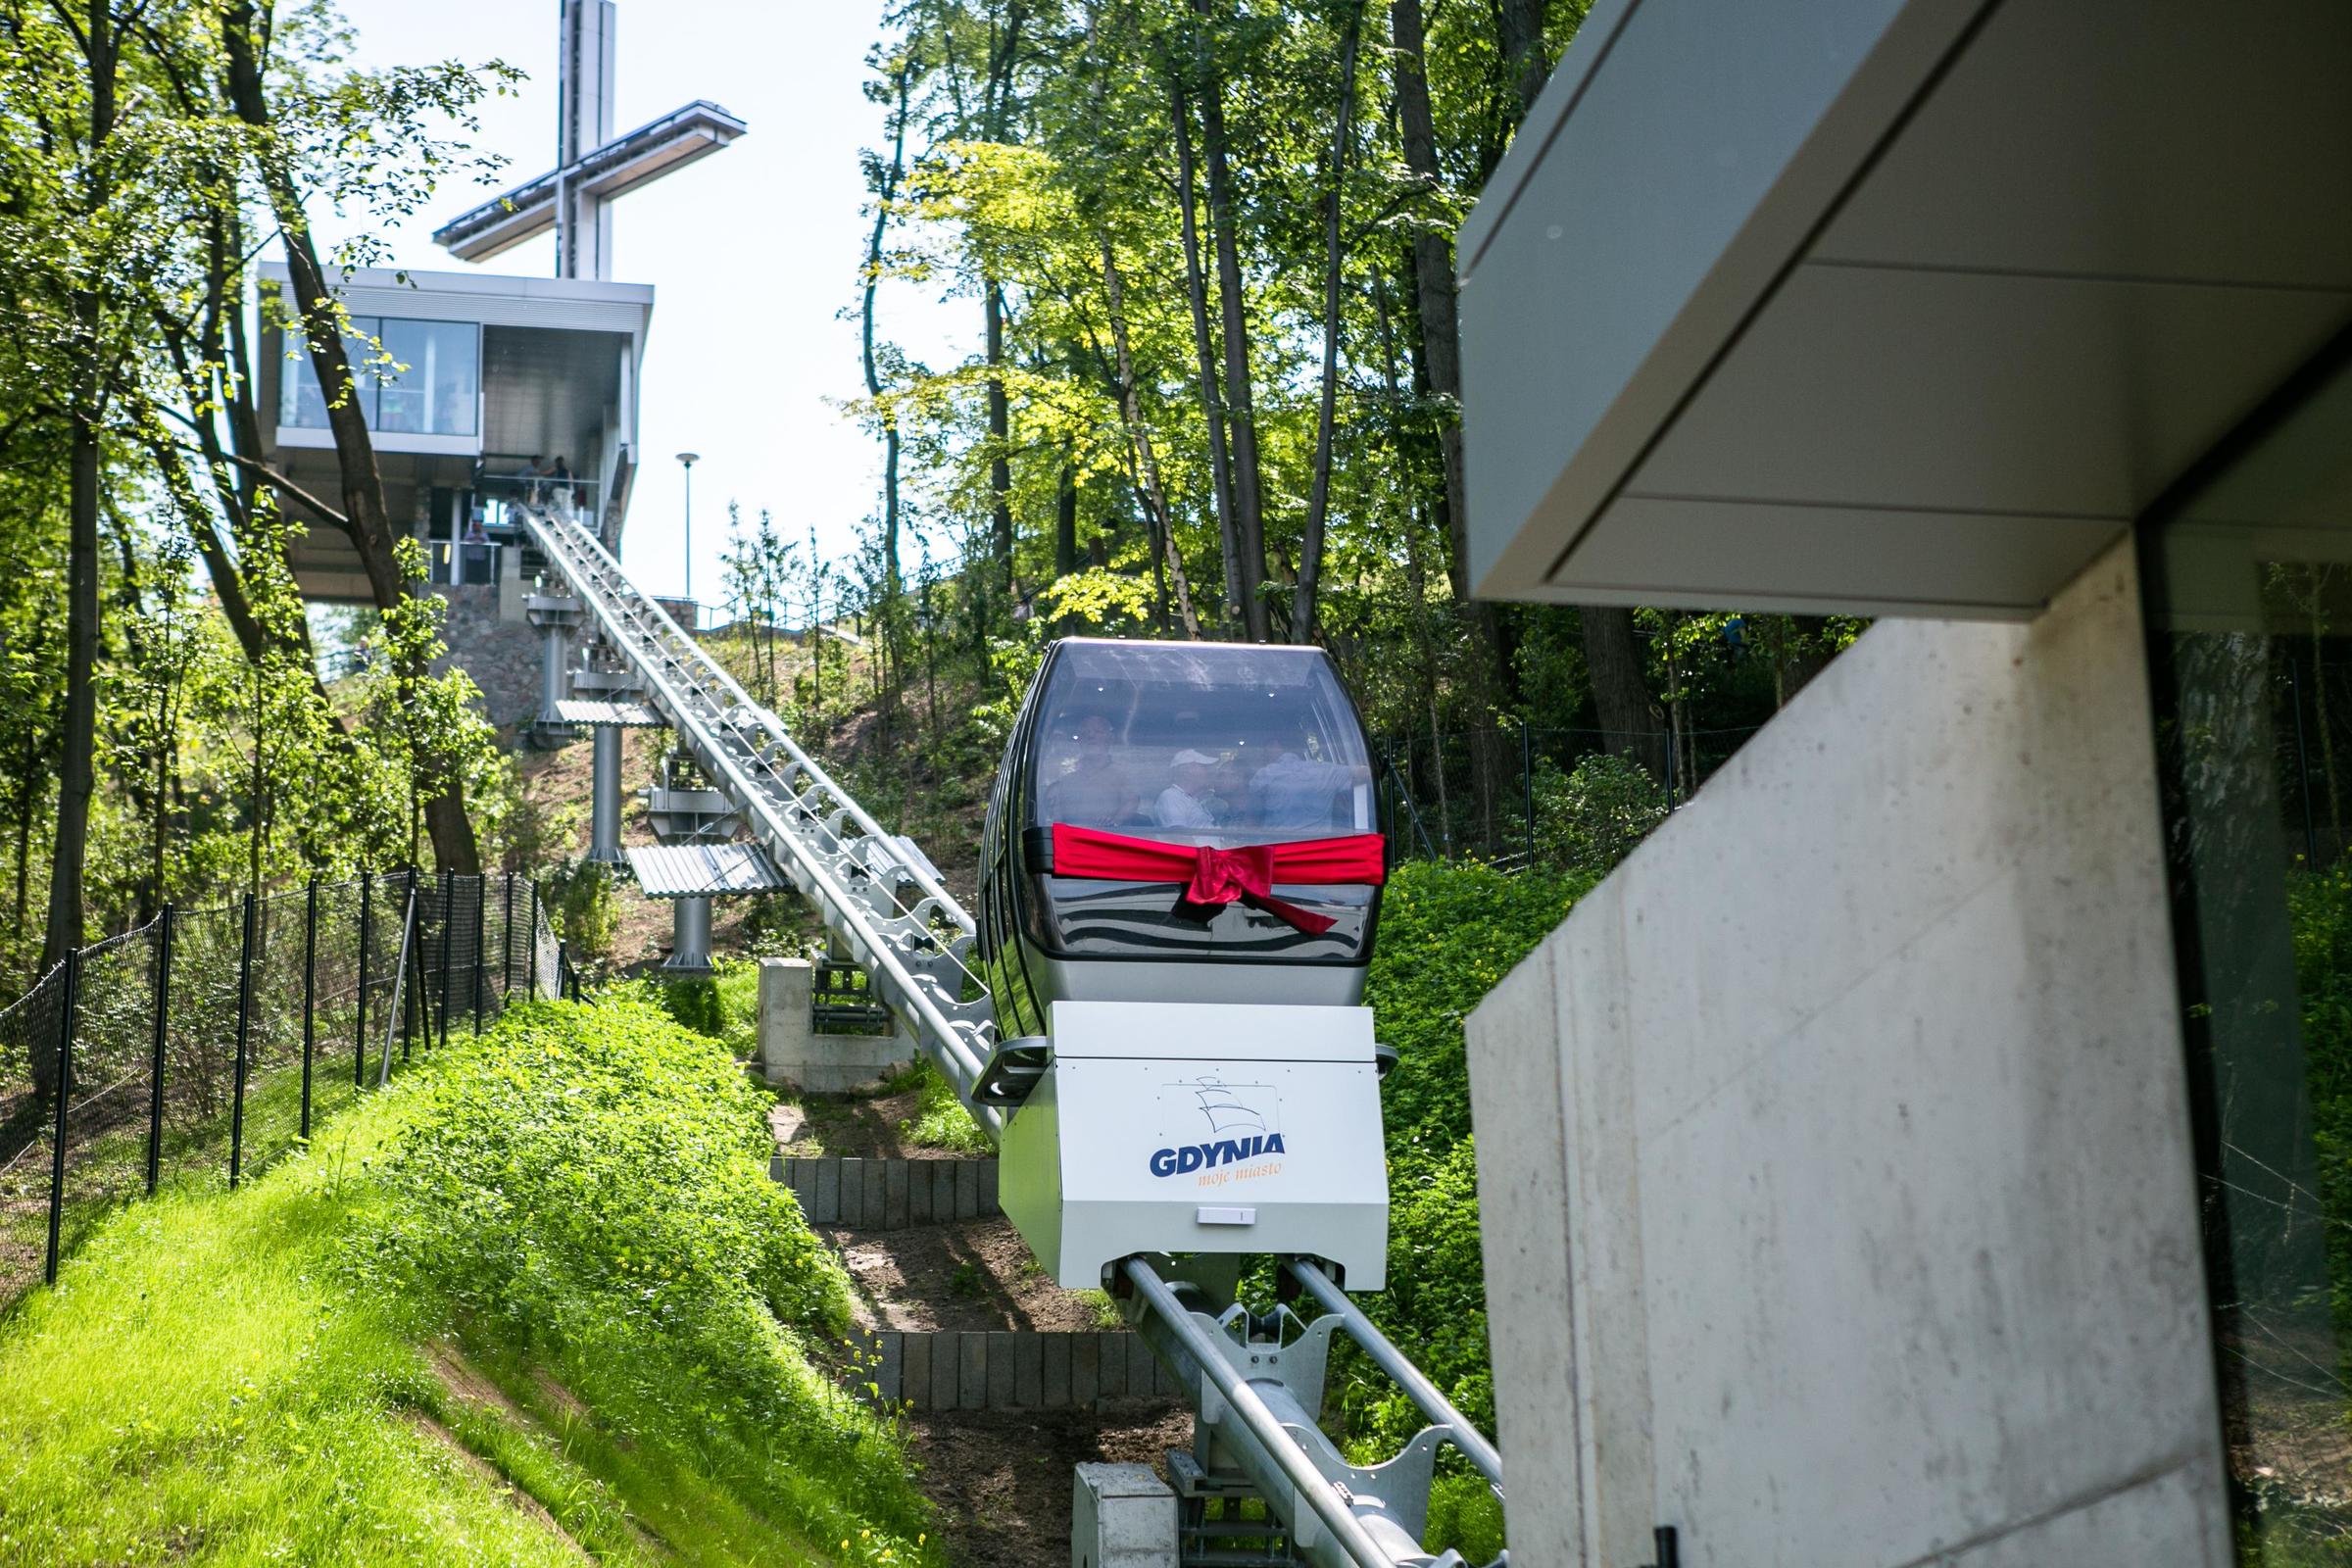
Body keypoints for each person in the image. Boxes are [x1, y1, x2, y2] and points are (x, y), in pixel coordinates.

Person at [1247, 728, 1372, 830]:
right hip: (1316, 853)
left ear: (1276, 745)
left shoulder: (1264, 775)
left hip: (1276, 854)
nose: (1265, 753)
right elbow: (1366, 772)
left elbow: (1251, 824)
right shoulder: (1327, 771)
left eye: (1266, 748)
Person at [1041, 713, 1139, 827]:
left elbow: (1131, 801)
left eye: (1098, 731)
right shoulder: (1066, 781)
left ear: (1110, 738)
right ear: (1079, 740)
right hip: (1071, 842)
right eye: (1085, 732)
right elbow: (1055, 821)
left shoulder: (1122, 775)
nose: (1091, 736)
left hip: (1110, 840)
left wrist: (1114, 823)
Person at [1155, 750, 1220, 829]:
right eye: (1204, 767)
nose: (1210, 772)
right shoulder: (1171, 796)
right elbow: (1179, 836)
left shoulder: (1189, 799)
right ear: (1187, 771)